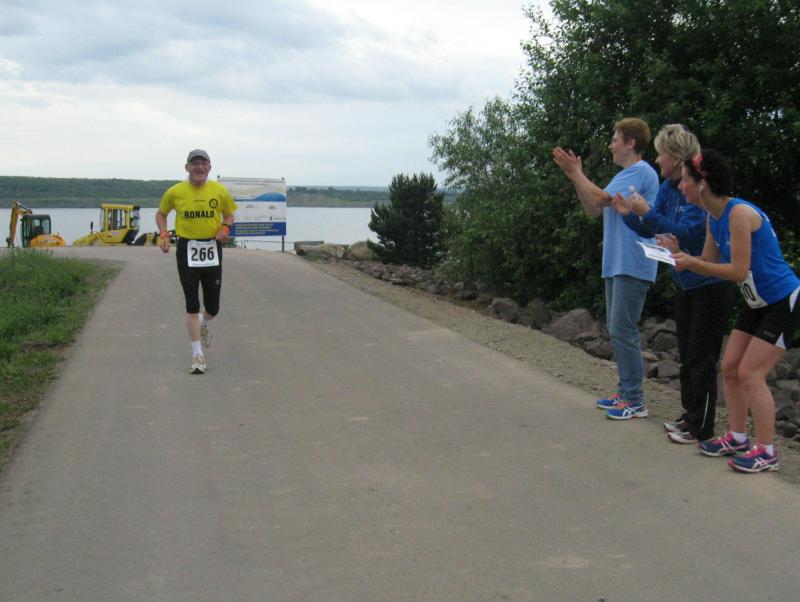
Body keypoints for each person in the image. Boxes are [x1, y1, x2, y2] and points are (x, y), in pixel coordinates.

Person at [671, 150, 800, 473]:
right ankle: (738, 437)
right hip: (757, 302)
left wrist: (692, 263)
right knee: (729, 367)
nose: (680, 187)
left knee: (751, 373)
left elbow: (737, 270)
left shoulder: (739, 214)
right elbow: (708, 264)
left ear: (702, 184)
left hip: (782, 300)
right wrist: (675, 253)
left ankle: (767, 451)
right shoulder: (712, 217)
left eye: (685, 180)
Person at [611, 125, 735, 444]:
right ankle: (689, 415)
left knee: (701, 357)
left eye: (661, 154)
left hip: (709, 282)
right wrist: (630, 215)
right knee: (687, 355)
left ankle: (701, 426)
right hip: (685, 281)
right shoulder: (669, 186)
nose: (657, 159)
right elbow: (656, 228)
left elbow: (687, 233)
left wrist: (647, 214)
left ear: (677, 157)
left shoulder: (696, 190)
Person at [553, 118, 659, 420]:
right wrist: (574, 177)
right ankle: (626, 392)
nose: (611, 145)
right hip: (617, 261)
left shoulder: (641, 172)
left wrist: (577, 173)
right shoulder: (625, 175)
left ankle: (635, 399)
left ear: (630, 143)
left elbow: (600, 198)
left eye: (615, 139)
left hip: (633, 261)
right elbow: (593, 209)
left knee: (623, 329)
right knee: (618, 329)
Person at [156, 149, 237, 374]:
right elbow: (161, 214)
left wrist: (225, 228)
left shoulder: (219, 191)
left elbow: (229, 214)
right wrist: (164, 234)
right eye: (195, 164)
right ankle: (197, 356)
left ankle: (202, 323)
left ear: (209, 167)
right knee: (191, 304)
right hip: (187, 249)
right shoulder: (175, 191)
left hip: (212, 248)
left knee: (213, 308)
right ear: (187, 167)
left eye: (203, 164)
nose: (199, 168)